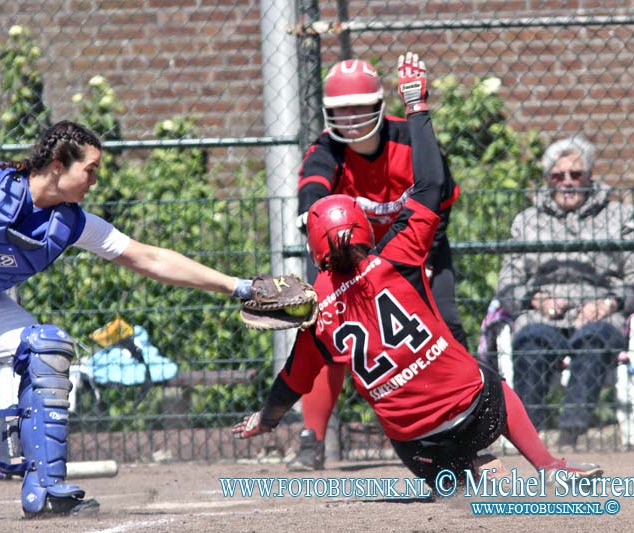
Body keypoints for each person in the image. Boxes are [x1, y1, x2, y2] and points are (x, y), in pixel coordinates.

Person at [232, 53, 602, 492]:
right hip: (399, 260)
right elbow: (428, 188)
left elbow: (291, 377)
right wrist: (419, 104)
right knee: (481, 378)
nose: (350, 120)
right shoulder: (339, 166)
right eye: (341, 112)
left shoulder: (322, 306)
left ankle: (467, 467)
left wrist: (267, 417)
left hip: (415, 448)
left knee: (331, 345)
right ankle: (539, 464)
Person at [0, 121, 260, 517]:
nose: (95, 180)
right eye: (90, 170)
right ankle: (15, 429)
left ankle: (45, 490)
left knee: (47, 347)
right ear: (58, 165)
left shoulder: (69, 222)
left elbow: (148, 257)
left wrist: (238, 286)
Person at [291, 54, 467, 470]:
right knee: (325, 334)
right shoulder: (327, 149)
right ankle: (311, 438)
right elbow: (312, 189)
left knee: (447, 321)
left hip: (416, 248)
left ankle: (465, 422)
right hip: (353, 261)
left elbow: (439, 197)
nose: (350, 120)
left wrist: (412, 262)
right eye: (340, 112)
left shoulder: (409, 139)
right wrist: (309, 211)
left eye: (359, 108)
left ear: (379, 106)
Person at [494, 135, 634, 446]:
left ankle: (571, 432)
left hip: (599, 310)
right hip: (544, 313)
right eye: (558, 176)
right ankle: (528, 437)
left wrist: (609, 303)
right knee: (530, 342)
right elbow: (507, 284)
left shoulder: (618, 216)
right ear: (548, 180)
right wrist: (535, 299)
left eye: (575, 175)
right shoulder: (527, 221)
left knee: (594, 339)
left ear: (590, 176)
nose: (567, 182)